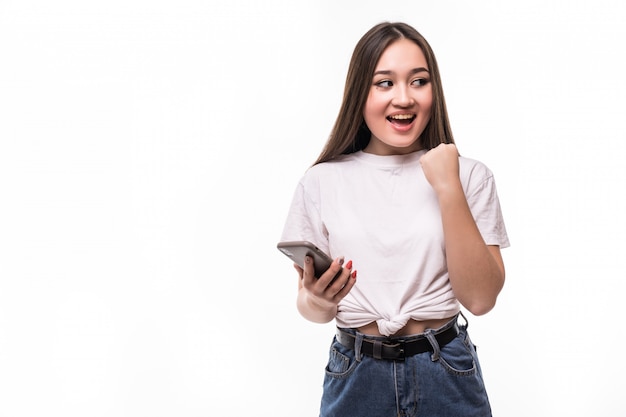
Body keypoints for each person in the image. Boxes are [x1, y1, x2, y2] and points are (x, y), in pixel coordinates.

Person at [279, 21, 509, 417]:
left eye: (418, 81)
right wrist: (316, 299)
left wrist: (447, 187)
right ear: (359, 93)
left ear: (433, 89)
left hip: (446, 370)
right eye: (384, 83)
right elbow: (311, 308)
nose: (403, 98)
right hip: (355, 372)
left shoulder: (470, 176)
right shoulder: (321, 181)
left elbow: (481, 298)